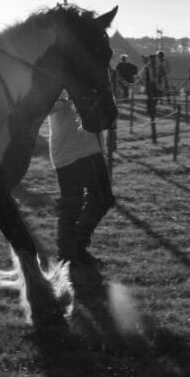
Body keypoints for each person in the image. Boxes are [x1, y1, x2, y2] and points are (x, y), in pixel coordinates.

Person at [47, 91, 115, 268]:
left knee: (104, 198)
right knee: (71, 205)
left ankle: (77, 246)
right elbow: (45, 105)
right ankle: (67, 256)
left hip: (92, 147)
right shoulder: (56, 76)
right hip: (67, 149)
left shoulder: (90, 76)